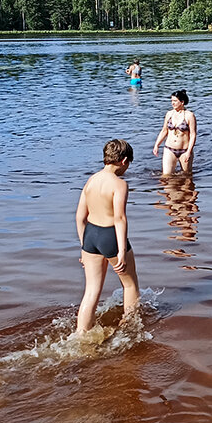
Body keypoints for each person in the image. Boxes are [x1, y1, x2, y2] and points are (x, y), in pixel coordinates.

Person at [75, 139, 140, 334]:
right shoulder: (119, 184)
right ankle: (129, 330)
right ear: (124, 160)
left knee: (91, 291)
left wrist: (83, 248)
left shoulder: (91, 180)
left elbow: (80, 217)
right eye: (128, 164)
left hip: (90, 237)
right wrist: (121, 252)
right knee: (130, 285)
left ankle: (81, 334)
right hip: (109, 236)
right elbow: (119, 218)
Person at [152, 89, 197, 174]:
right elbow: (164, 130)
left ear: (182, 102)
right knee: (166, 176)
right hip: (169, 149)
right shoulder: (169, 114)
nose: (172, 103)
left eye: (175, 101)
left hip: (184, 150)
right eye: (171, 101)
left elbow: (193, 135)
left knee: (187, 177)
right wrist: (156, 145)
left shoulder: (189, 116)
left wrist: (189, 151)